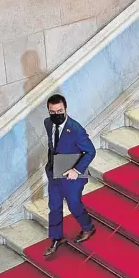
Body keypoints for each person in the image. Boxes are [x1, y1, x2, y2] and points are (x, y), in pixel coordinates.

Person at [43, 94, 96, 257]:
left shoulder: (76, 129)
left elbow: (90, 151)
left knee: (74, 204)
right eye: (53, 112)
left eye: (60, 111)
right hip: (54, 172)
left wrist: (77, 170)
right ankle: (56, 237)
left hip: (72, 173)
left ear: (65, 109)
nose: (56, 114)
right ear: (49, 111)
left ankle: (88, 227)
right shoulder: (47, 123)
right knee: (54, 207)